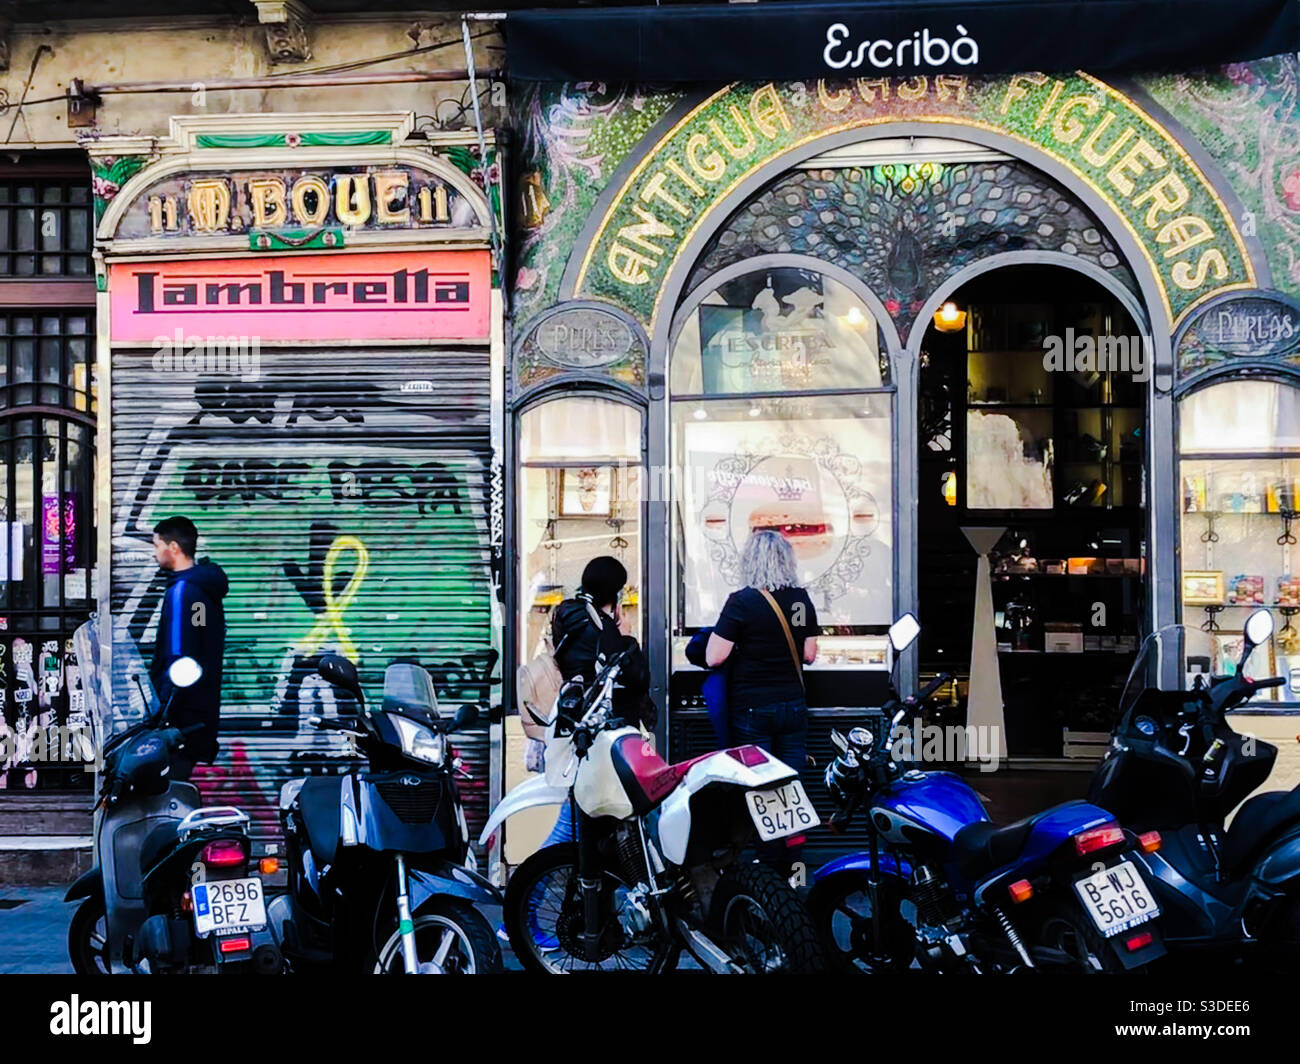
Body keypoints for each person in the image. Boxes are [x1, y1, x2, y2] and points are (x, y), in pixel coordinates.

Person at [705, 530, 817, 873]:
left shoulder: (742, 601)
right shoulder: (799, 599)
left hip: (754, 708)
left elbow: (713, 657)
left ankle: (768, 867)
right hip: (793, 706)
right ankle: (794, 866)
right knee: (790, 784)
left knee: (760, 785)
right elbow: (809, 654)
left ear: (750, 562)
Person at [542, 555, 652, 847]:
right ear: (614, 593)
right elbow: (636, 678)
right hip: (604, 739)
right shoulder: (604, 630)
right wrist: (627, 639)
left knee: (587, 822)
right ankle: (530, 892)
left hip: (580, 731)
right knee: (576, 825)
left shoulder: (570, 616)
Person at [149, 515, 229, 780]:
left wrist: (162, 711)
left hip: (180, 721)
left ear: (173, 548)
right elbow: (196, 642)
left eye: (157, 545)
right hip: (199, 715)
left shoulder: (184, 591)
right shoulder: (202, 590)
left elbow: (179, 655)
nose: (154, 554)